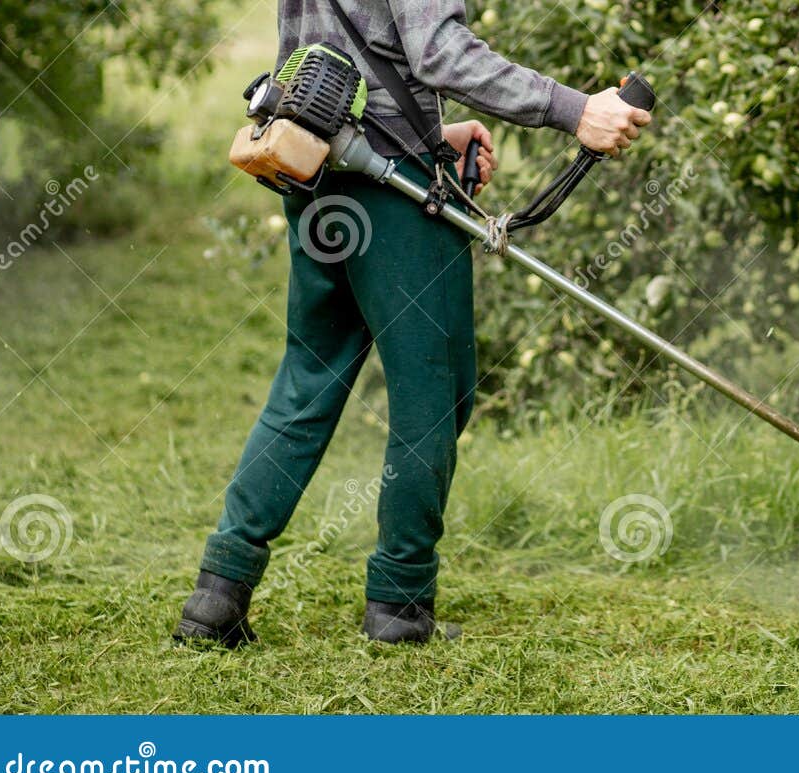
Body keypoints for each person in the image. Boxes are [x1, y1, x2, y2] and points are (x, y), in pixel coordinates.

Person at [173, 0, 651, 647]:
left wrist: (431, 132)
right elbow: (439, 53)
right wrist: (577, 110)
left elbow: (331, 47)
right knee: (435, 392)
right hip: (388, 188)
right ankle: (399, 605)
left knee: (308, 376)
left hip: (314, 166)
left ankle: (217, 593)